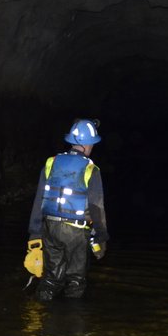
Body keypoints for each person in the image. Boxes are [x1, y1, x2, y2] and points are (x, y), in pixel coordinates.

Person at [27, 118, 109, 301]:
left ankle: (41, 317)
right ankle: (72, 322)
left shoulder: (51, 163)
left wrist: (34, 232)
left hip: (50, 228)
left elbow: (39, 198)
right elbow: (96, 208)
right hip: (76, 232)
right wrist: (101, 236)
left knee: (50, 278)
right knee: (75, 280)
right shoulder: (91, 169)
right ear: (87, 144)